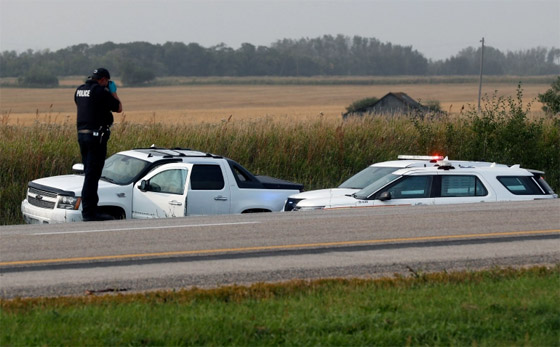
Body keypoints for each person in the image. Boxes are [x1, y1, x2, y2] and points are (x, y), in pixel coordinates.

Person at [74, 68, 122, 221]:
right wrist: (112, 91)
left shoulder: (80, 90)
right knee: (92, 176)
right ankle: (89, 213)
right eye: (107, 82)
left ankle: (90, 210)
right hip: (96, 138)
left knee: (89, 174)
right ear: (103, 80)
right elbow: (118, 107)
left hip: (82, 135)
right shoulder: (100, 91)